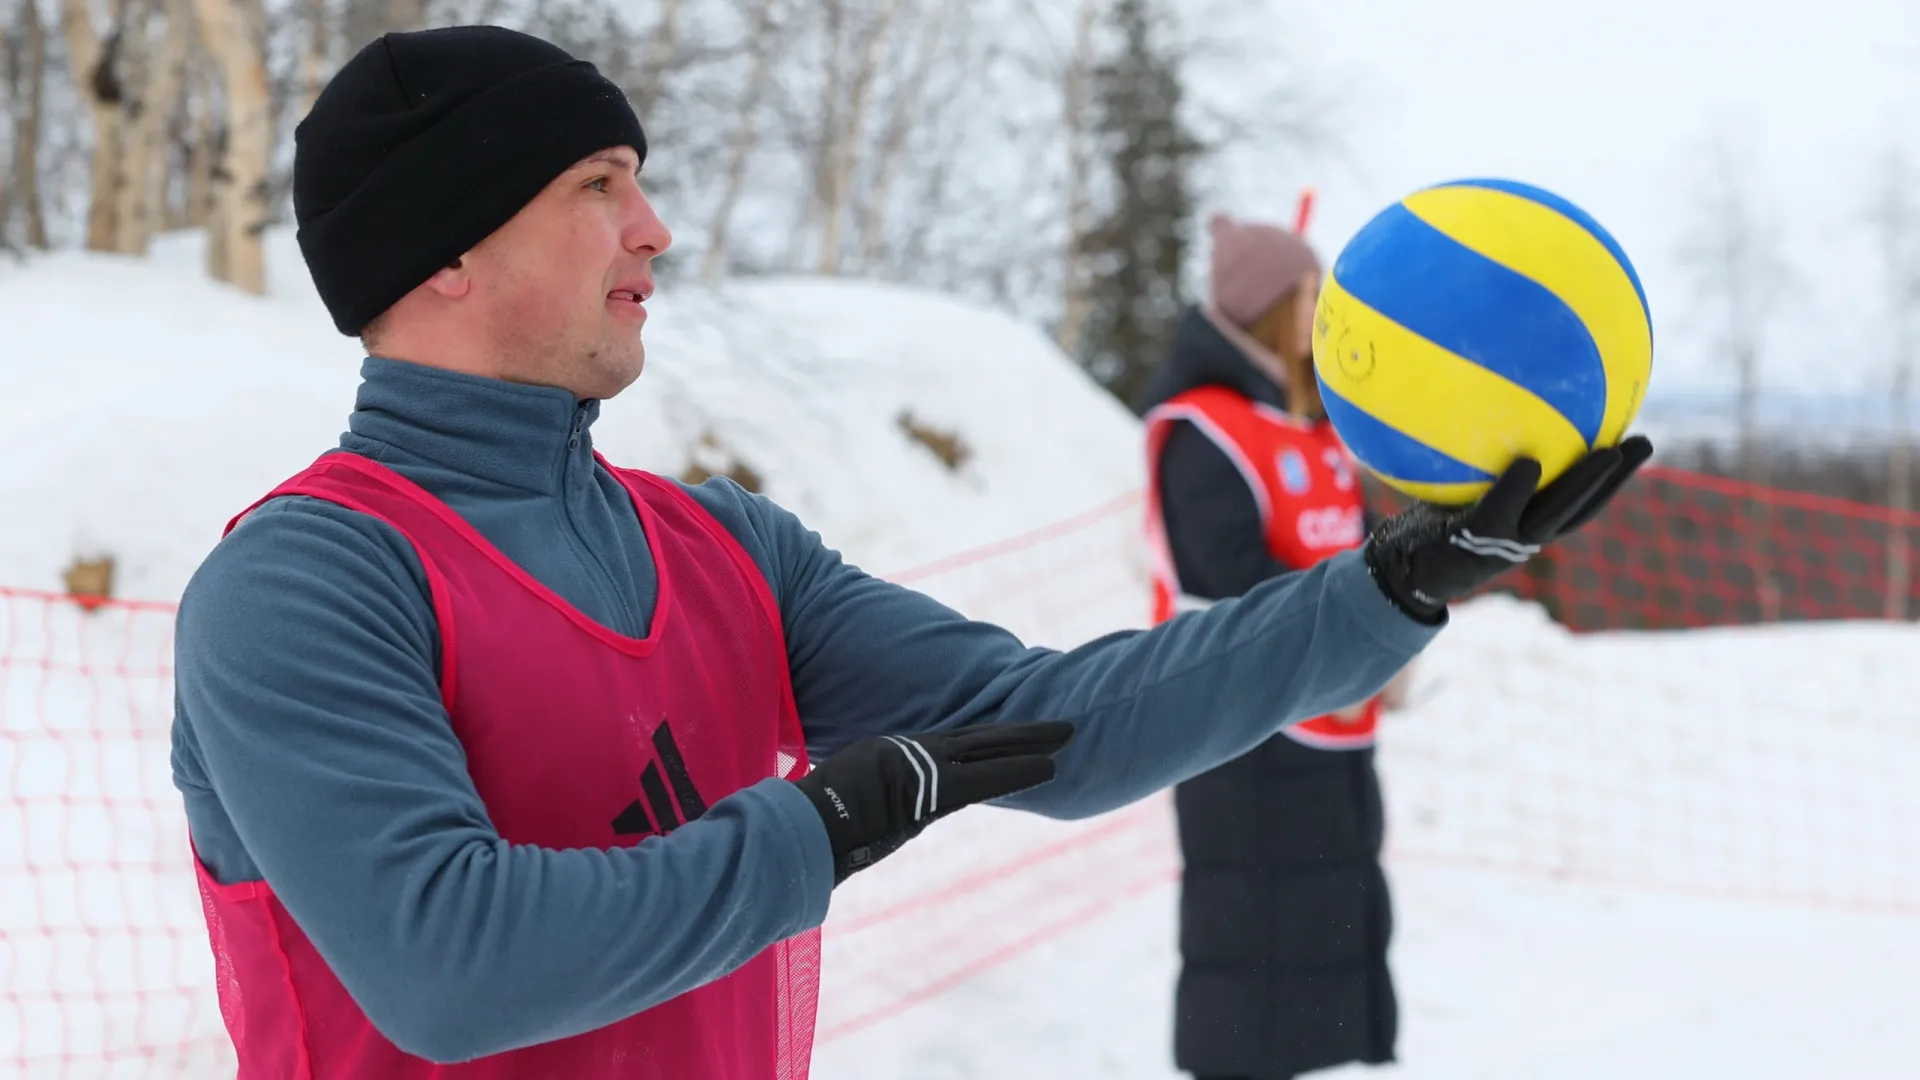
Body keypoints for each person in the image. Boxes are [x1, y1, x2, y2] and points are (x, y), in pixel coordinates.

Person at [168, 25, 1652, 1080]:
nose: (656, 229)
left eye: (638, 180)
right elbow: (451, 967)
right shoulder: (304, 586)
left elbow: (1062, 729)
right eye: (597, 187)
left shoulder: (722, 548)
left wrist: (1390, 590)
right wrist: (815, 828)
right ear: (446, 252)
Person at [1136, 213, 1409, 1080]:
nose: (1325, 315)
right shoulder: (1203, 429)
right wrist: (1347, 646)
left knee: (1333, 927)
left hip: (1333, 721)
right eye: (1312, 298)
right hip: (1239, 732)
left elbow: (1365, 555)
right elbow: (1228, 580)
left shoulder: (1320, 429)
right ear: (1269, 311)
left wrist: (1395, 635)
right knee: (1250, 945)